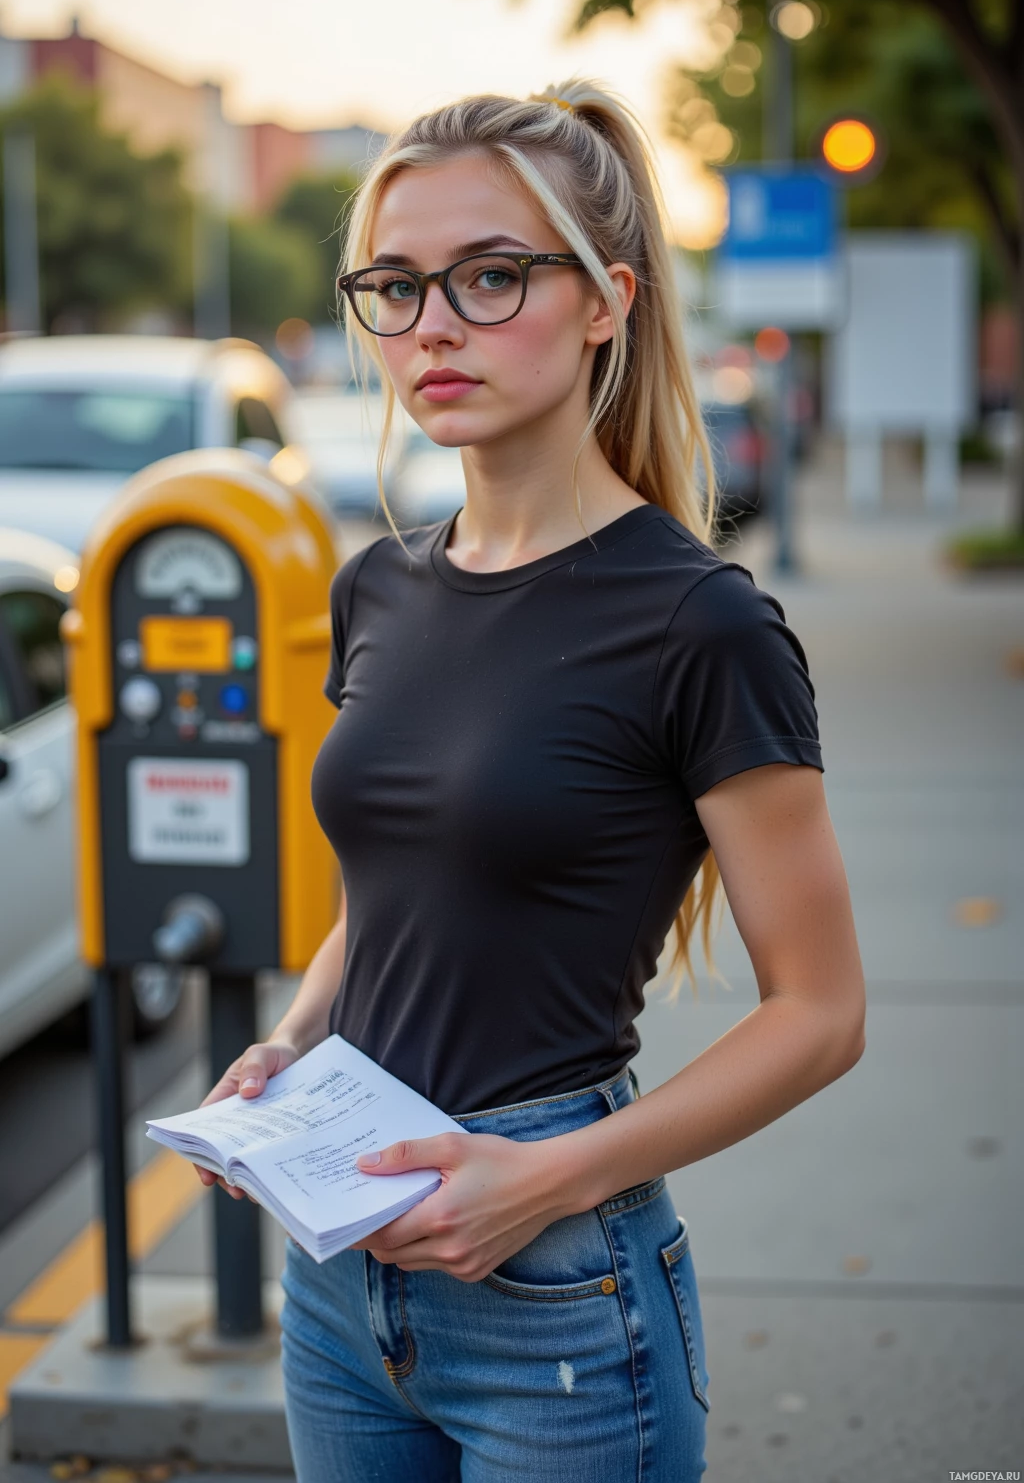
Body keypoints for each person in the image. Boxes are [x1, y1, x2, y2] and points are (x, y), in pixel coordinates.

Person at [195, 79, 866, 1482]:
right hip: (340, 1272)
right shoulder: (380, 585)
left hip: (556, 1283)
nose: (431, 325)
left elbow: (822, 1013)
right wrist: (293, 1047)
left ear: (606, 302)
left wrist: (542, 1183)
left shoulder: (701, 624)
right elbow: (399, 898)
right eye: (395, 284)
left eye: (490, 277)